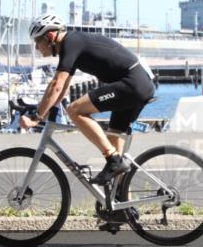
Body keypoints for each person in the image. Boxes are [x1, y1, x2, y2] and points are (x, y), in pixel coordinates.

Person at [23, 13, 155, 187]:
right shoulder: (73, 45)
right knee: (114, 140)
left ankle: (112, 159)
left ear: (50, 36)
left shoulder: (71, 43)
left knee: (75, 110)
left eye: (37, 41)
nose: (37, 47)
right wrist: (51, 110)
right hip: (138, 84)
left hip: (132, 84)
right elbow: (62, 88)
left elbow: (56, 85)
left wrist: (36, 117)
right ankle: (122, 206)